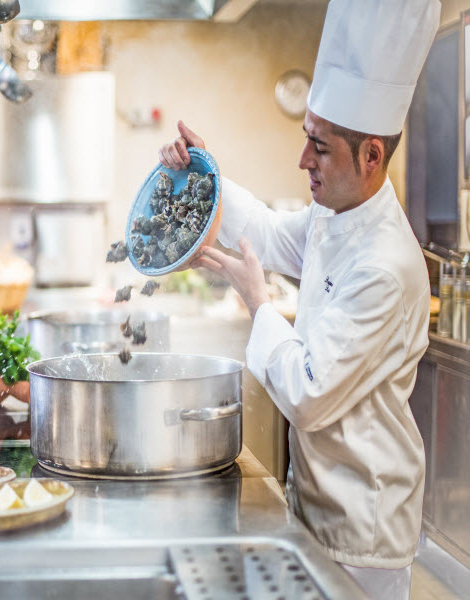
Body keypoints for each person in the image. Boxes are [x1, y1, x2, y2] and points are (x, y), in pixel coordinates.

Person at [158, 1, 440, 599]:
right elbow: (263, 232)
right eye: (306, 139)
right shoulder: (334, 216)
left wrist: (259, 303)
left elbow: (308, 396)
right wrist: (205, 173)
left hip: (361, 527)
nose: (302, 160)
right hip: (318, 504)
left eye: (321, 148)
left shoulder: (384, 266)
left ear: (372, 156)